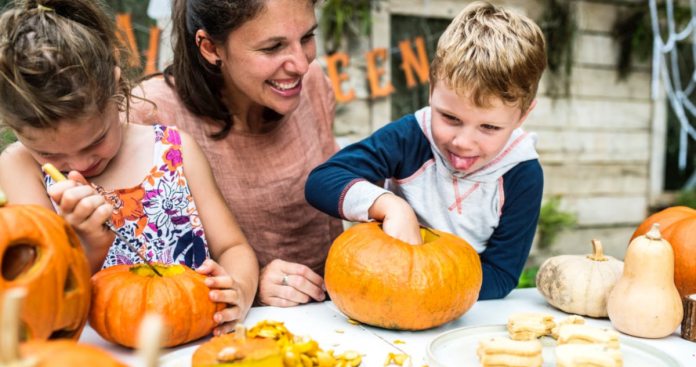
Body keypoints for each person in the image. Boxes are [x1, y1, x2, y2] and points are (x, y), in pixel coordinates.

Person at [0, 0, 257, 335]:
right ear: (15, 130)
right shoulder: (20, 167)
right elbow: (38, 298)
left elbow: (232, 248)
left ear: (117, 87)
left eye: (95, 141)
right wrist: (86, 244)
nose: (78, 164)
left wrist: (238, 287)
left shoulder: (174, 151)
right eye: (48, 153)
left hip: (195, 342)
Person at [305, 1, 547, 300]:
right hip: (383, 289)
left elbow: (501, 275)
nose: (463, 142)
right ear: (431, 90)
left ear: (522, 116)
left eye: (489, 128)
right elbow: (323, 180)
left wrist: (423, 284)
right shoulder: (410, 137)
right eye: (450, 118)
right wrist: (392, 206)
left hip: (456, 310)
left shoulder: (522, 174)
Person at [130, 0, 343, 307]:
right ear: (211, 47)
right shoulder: (149, 114)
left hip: (335, 320)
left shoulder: (313, 84)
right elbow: (133, 273)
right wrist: (247, 285)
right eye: (273, 47)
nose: (301, 64)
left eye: (307, 37)